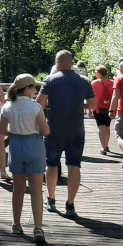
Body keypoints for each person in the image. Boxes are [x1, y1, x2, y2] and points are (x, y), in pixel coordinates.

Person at [37, 50, 95, 219]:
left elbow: (40, 103)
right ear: (72, 63)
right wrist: (79, 106)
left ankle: (51, 199)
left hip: (54, 130)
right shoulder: (84, 81)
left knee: (52, 164)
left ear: (58, 63)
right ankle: (70, 203)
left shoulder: (50, 80)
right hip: (77, 130)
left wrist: (52, 106)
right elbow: (93, 104)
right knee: (74, 166)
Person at [0, 73, 51, 244]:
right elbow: (45, 132)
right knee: (36, 190)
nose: (36, 90)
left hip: (16, 147)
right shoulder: (35, 108)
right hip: (34, 146)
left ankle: (16, 224)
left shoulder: (7, 107)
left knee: (18, 189)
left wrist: (15, 132)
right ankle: (38, 227)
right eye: (34, 87)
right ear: (27, 89)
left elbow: (2, 130)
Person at [90, 65, 114, 154]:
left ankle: (103, 148)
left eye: (96, 72)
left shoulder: (94, 83)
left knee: (101, 128)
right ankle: (106, 145)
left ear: (99, 73)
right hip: (109, 108)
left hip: (98, 108)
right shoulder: (112, 83)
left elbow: (91, 96)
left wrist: (90, 109)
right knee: (107, 127)